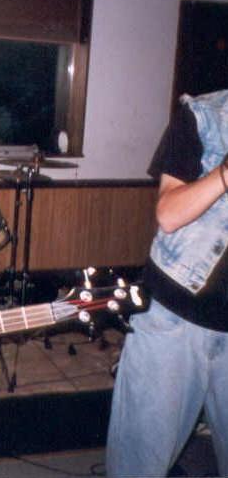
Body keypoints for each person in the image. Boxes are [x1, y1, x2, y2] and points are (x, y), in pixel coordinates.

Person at [106, 89, 228, 477]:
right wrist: (225, 174)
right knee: (139, 465)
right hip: (175, 320)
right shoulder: (202, 116)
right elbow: (169, 214)